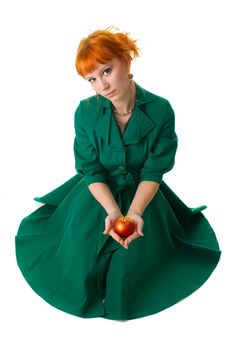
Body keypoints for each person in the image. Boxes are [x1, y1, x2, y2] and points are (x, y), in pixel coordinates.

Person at [15, 27, 221, 321]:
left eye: (107, 70)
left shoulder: (161, 110)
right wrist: (112, 210)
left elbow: (153, 170)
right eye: (92, 79)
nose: (102, 85)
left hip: (143, 195)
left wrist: (134, 213)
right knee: (78, 263)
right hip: (97, 193)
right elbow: (90, 168)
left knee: (130, 270)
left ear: (126, 60)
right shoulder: (84, 112)